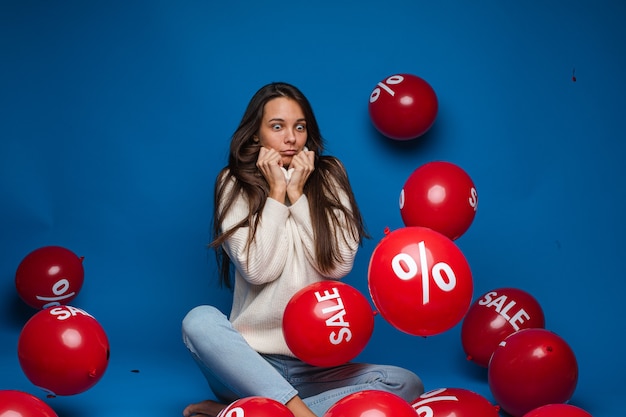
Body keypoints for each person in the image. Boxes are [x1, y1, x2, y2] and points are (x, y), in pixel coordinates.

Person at [181, 82, 424, 417]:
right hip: (247, 366)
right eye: (277, 127)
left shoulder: (330, 176)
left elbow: (338, 264)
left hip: (317, 369)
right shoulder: (233, 182)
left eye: (299, 127)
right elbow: (259, 269)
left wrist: (298, 195)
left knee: (405, 383)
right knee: (199, 321)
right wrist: (277, 194)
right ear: (256, 136)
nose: (291, 138)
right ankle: (289, 410)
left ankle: (249, 412)